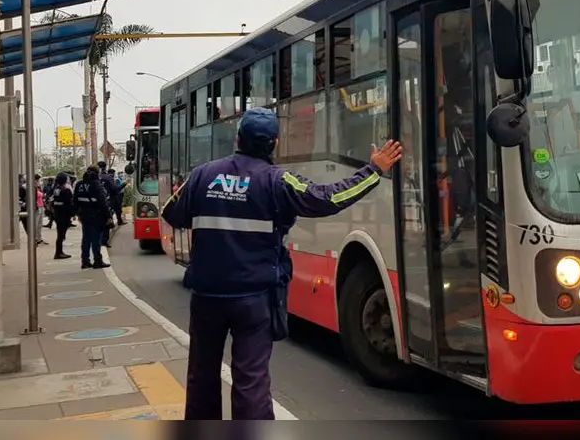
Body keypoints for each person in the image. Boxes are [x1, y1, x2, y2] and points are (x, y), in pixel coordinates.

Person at [161, 107, 403, 421]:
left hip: (207, 297)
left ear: (237, 138)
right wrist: (372, 171)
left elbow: (172, 213)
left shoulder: (202, 175)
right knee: (251, 381)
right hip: (254, 299)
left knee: (201, 375)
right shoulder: (277, 180)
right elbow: (327, 198)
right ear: (275, 143)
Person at [73, 166, 113, 269]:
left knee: (86, 238)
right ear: (97, 173)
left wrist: (77, 213)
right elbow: (103, 202)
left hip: (84, 215)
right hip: (96, 215)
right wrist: (108, 216)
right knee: (96, 239)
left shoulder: (79, 184)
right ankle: (97, 261)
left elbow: (75, 201)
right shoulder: (97, 185)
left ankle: (85, 261)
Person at [50, 173, 74, 260]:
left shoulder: (56, 189)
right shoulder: (66, 190)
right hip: (64, 215)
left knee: (59, 234)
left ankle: (59, 252)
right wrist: (73, 214)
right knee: (61, 235)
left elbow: (54, 202)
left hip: (57, 214)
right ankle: (58, 253)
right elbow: (70, 203)